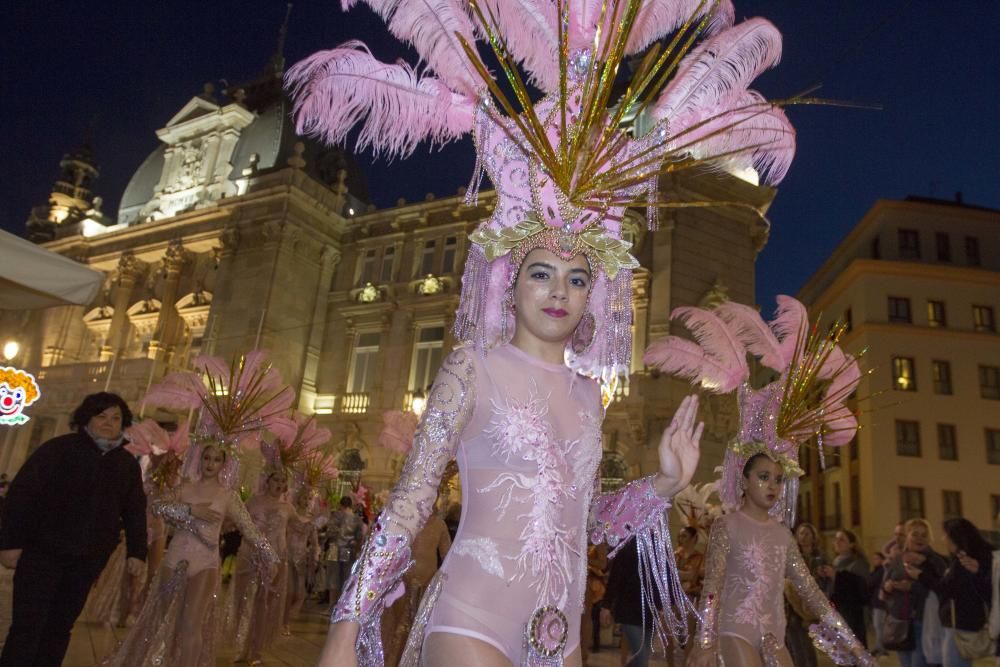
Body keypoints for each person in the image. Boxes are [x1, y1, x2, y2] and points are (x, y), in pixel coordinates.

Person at [642, 296, 874, 667]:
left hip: (773, 633)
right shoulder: (727, 526)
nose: (772, 486)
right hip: (733, 630)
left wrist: (855, 646)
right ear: (744, 479)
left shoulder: (783, 535)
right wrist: (704, 642)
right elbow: (713, 590)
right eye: (764, 477)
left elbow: (812, 594)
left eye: (779, 480)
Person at [0, 392, 147, 667]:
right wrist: (10, 544)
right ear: (86, 419)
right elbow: (22, 496)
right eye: (101, 416)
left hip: (86, 561)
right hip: (42, 554)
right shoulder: (58, 450)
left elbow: (135, 510)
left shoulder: (126, 464)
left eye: (115, 418)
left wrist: (137, 552)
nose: (108, 423)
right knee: (27, 628)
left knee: (59, 628)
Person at [102, 441, 276, 666]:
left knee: (191, 625)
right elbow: (157, 507)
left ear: (224, 464)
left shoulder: (227, 496)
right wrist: (191, 510)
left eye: (216, 459)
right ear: (199, 459)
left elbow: (249, 529)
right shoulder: (185, 488)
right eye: (206, 458)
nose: (210, 463)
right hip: (174, 560)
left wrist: (270, 555)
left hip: (205, 563)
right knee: (161, 620)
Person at [230, 470, 295, 664]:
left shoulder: (288, 508)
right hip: (250, 556)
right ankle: (242, 647)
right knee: (243, 601)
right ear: (267, 481)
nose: (280, 484)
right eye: (276, 479)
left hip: (275, 560)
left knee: (263, 604)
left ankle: (256, 651)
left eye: (283, 481)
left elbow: (295, 529)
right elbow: (239, 523)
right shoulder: (253, 501)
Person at [920, 518, 994, 667]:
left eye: (945, 535)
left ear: (954, 537)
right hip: (960, 622)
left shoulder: (964, 561)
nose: (943, 539)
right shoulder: (967, 558)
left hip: (959, 624)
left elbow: (946, 589)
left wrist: (919, 575)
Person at [882, 518, 948, 667]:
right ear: (907, 536)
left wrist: (913, 587)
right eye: (915, 534)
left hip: (924, 622)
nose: (920, 538)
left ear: (930, 539)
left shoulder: (937, 561)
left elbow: (941, 590)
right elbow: (883, 589)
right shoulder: (898, 560)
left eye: (924, 535)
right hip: (900, 622)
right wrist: (888, 587)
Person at [822, 529, 870, 648]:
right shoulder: (835, 563)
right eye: (836, 539)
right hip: (836, 615)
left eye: (842, 540)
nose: (837, 542)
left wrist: (837, 576)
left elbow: (860, 590)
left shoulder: (858, 563)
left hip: (852, 616)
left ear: (852, 544)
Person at [325, 495, 362, 603]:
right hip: (348, 551)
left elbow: (329, 532)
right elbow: (359, 538)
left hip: (334, 550)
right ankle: (342, 607)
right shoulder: (357, 519)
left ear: (340, 505)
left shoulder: (335, 515)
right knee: (346, 581)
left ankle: (332, 607)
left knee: (333, 581)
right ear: (351, 505)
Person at [868, 551, 888, 656]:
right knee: (878, 626)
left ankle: (880, 648)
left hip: (880, 603)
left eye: (877, 558)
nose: (874, 561)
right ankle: (880, 647)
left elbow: (871, 583)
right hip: (876, 602)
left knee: (879, 626)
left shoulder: (881, 571)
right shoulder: (877, 571)